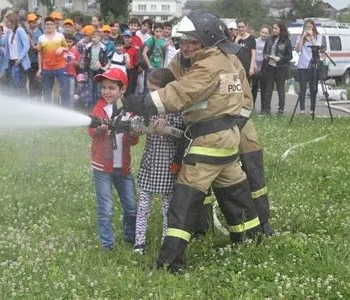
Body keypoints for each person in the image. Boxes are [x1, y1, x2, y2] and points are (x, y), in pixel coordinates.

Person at [124, 10, 262, 272]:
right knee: (236, 193)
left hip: (208, 141)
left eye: (191, 41)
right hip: (226, 140)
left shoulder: (209, 66)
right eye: (182, 41)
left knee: (183, 202)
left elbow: (180, 92)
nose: (184, 47)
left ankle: (170, 262)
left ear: (207, 40)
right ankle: (249, 242)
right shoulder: (216, 58)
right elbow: (171, 76)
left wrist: (143, 102)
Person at [134, 68, 184, 254]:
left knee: (167, 209)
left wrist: (168, 130)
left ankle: (166, 243)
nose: (150, 94)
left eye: (154, 90)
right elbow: (138, 122)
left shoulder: (177, 111)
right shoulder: (148, 108)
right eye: (148, 90)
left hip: (168, 168)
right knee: (143, 207)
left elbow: (182, 135)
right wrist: (136, 127)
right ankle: (139, 243)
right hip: (149, 166)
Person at [88, 68, 139, 252]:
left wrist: (132, 131)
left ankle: (130, 237)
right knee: (106, 209)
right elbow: (91, 130)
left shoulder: (129, 112)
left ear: (122, 89)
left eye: (111, 88)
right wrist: (99, 128)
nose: (106, 92)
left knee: (132, 207)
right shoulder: (99, 108)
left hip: (123, 169)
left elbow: (134, 141)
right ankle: (107, 246)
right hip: (102, 168)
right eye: (103, 87)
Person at [37, 16, 70, 106]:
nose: (49, 26)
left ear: (54, 25)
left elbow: (67, 48)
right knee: (47, 91)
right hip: (47, 68)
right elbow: (40, 53)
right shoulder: (41, 38)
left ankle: (65, 108)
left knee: (64, 89)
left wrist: (62, 48)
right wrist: (40, 68)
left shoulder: (60, 36)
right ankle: (48, 110)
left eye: (51, 24)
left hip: (60, 67)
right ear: (44, 25)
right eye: (47, 24)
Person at [263, 21, 292, 115]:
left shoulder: (286, 41)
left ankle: (281, 109)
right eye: (273, 28)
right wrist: (266, 56)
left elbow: (289, 56)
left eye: (276, 28)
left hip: (281, 68)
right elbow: (265, 51)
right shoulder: (269, 39)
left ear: (281, 30)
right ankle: (267, 109)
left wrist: (280, 58)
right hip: (269, 67)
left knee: (280, 89)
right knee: (268, 88)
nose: (274, 30)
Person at [295, 19, 323, 115]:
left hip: (313, 65)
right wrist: (303, 37)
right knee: (302, 88)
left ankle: (312, 109)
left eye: (310, 27)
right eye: (307, 27)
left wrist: (311, 37)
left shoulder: (318, 36)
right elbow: (298, 49)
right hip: (302, 65)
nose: (308, 29)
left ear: (313, 27)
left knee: (313, 88)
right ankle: (302, 109)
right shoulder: (300, 37)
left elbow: (317, 48)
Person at [1, 12, 30, 94]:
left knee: (21, 84)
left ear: (12, 21)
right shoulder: (8, 32)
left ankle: (24, 102)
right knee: (13, 84)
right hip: (11, 61)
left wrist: (20, 58)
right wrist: (1, 35)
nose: (6, 24)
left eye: (7, 22)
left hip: (20, 62)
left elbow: (26, 46)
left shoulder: (20, 30)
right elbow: (3, 43)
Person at [83, 29, 109, 106]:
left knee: (98, 88)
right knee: (90, 86)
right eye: (92, 37)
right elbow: (86, 59)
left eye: (95, 37)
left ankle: (98, 104)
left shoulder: (103, 47)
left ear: (99, 38)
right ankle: (90, 103)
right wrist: (85, 70)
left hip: (99, 70)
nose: (93, 39)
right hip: (90, 69)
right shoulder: (88, 47)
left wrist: (102, 65)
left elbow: (105, 59)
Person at [252, 24, 270, 106]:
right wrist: (254, 65)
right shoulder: (255, 41)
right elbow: (252, 54)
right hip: (255, 67)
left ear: (268, 34)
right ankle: (252, 106)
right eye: (262, 32)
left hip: (265, 68)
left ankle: (264, 108)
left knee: (264, 89)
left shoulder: (269, 43)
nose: (264, 34)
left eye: (266, 33)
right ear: (260, 32)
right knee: (254, 88)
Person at [27, 13, 43, 99]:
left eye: (35, 21)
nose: (33, 23)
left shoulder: (40, 31)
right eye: (31, 22)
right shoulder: (26, 31)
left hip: (38, 60)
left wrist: (32, 44)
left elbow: (38, 46)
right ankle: (31, 97)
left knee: (38, 80)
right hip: (29, 60)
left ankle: (39, 97)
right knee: (31, 80)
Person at [64, 33, 81, 108]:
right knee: (63, 92)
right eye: (67, 41)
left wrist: (76, 63)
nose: (68, 43)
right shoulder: (62, 50)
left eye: (70, 41)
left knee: (71, 92)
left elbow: (78, 64)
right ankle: (63, 107)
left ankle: (70, 108)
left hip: (72, 74)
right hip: (62, 74)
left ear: (73, 42)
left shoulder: (76, 52)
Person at [123, 29, 138, 95]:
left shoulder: (134, 49)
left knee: (131, 87)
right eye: (125, 37)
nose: (127, 39)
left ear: (131, 39)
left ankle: (129, 101)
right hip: (122, 69)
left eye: (129, 37)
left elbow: (136, 61)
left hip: (131, 70)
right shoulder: (120, 48)